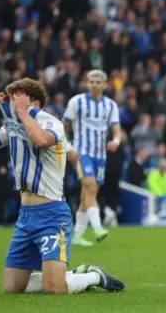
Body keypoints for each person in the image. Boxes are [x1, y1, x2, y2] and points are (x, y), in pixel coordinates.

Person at [0, 78, 125, 294]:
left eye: (18, 98)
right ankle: (70, 275)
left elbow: (41, 140)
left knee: (55, 289)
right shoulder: (12, 127)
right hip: (26, 216)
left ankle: (92, 276)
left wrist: (23, 113)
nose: (13, 103)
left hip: (52, 215)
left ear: (34, 101)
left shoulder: (52, 123)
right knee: (12, 289)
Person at [62, 70, 122, 247]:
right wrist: (68, 147)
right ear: (86, 84)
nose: (94, 84)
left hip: (100, 155)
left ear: (104, 85)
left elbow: (117, 128)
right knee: (89, 186)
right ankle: (98, 228)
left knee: (88, 193)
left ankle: (77, 236)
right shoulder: (77, 102)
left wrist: (116, 141)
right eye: (91, 81)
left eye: (98, 82)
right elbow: (63, 124)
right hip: (81, 153)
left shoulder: (110, 105)